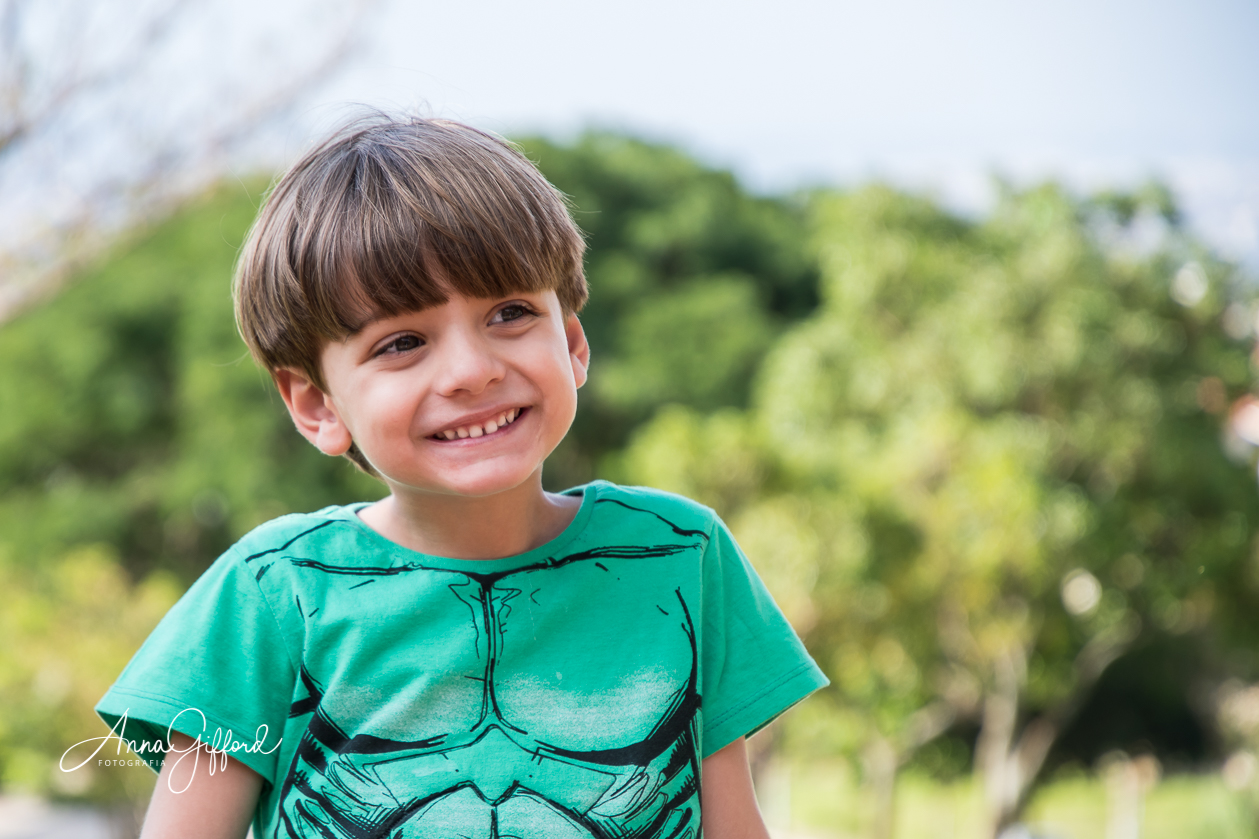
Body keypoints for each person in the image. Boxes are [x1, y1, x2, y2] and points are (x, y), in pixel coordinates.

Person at [95, 115, 828, 839]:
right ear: (318, 404)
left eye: (509, 312)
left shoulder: (681, 556)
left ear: (571, 342)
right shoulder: (268, 593)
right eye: (402, 342)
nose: (473, 370)